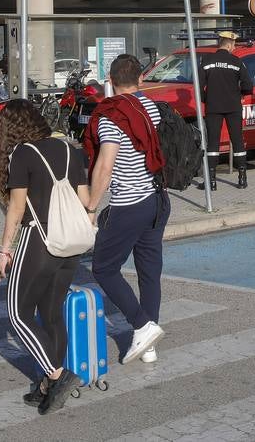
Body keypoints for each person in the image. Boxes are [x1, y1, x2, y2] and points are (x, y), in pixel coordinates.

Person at [0, 98, 90, 415]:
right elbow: (85, 200)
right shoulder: (67, 149)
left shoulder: (22, 153)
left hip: (41, 239)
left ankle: (59, 375)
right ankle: (47, 388)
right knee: (51, 313)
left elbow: (17, 209)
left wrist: (4, 250)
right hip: (71, 244)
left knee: (19, 314)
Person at [84, 54, 168, 366]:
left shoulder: (110, 116)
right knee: (149, 271)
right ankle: (148, 346)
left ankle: (142, 325)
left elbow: (105, 166)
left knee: (104, 268)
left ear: (109, 80)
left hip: (128, 204)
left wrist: (91, 206)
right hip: (158, 199)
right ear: (141, 80)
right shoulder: (150, 108)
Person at [199, 30, 254, 190]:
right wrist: (242, 95)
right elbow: (248, 85)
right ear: (229, 45)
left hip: (213, 107)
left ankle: (211, 181)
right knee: (237, 142)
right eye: (234, 44)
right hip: (233, 107)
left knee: (213, 143)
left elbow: (198, 85)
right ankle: (242, 179)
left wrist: (206, 99)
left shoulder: (207, 60)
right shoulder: (237, 62)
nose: (234, 47)